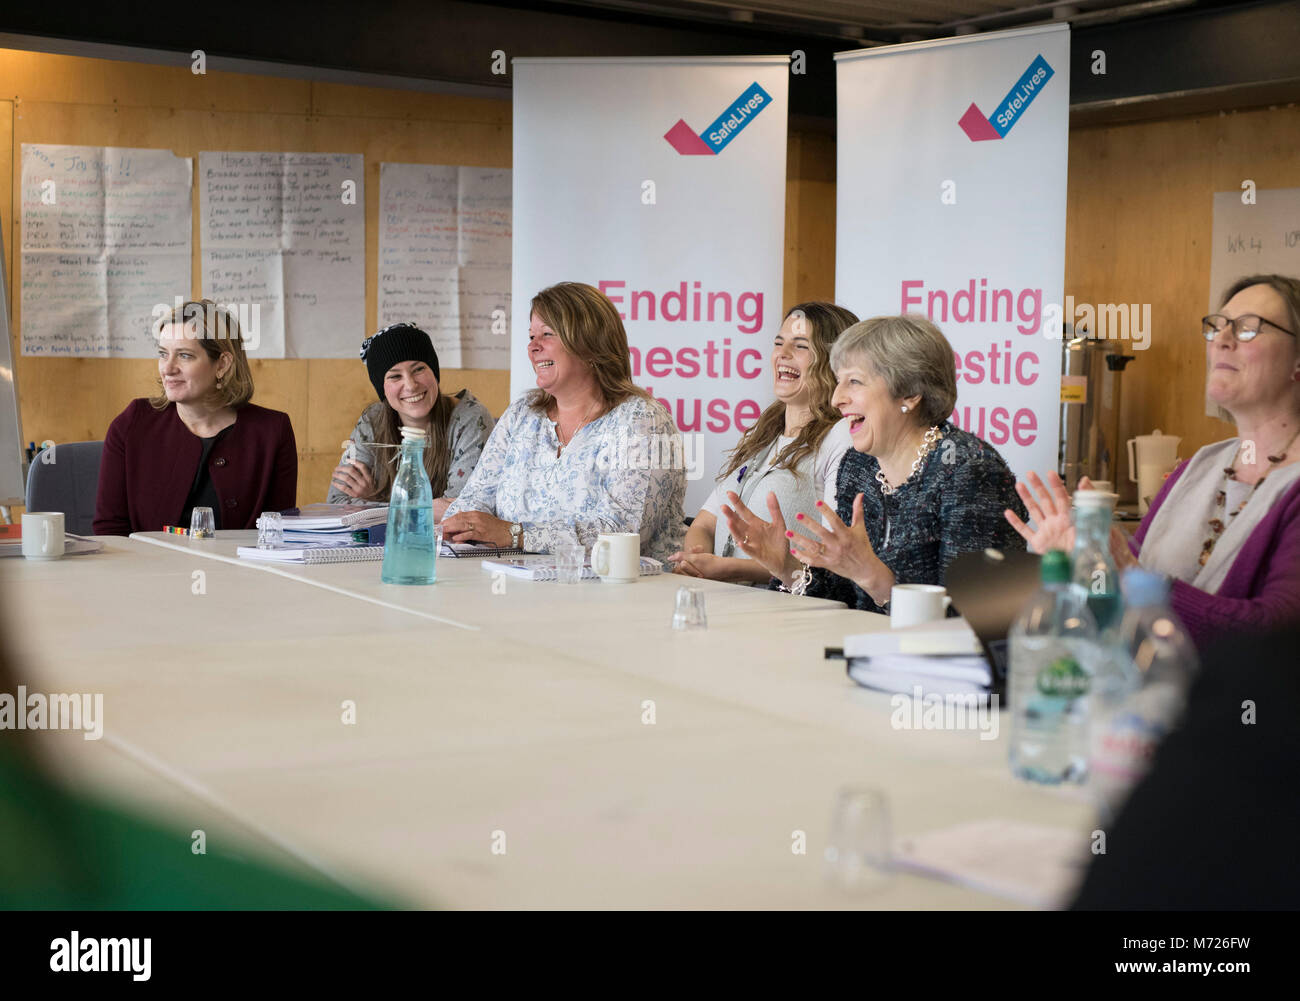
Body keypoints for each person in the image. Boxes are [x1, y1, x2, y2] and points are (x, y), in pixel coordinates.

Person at [1007, 274, 1300, 648]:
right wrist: (1080, 562)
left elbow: (1275, 639)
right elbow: (1127, 602)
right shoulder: (1196, 468)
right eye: (1218, 326)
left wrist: (1128, 573)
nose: (1222, 340)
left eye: (1248, 329)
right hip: (1150, 690)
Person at [721, 314, 1027, 612]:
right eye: (839, 382)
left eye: (854, 382)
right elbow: (840, 595)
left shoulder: (970, 472)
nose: (836, 399)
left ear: (910, 392)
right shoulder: (859, 465)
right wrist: (786, 566)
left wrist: (875, 578)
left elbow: (978, 616)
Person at [442, 282, 685, 561]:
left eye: (547, 334)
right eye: (531, 336)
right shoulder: (522, 413)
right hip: (523, 588)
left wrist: (516, 534)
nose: (533, 347)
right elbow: (474, 498)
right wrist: (462, 527)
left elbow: (623, 533)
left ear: (591, 345)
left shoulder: (643, 421)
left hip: (624, 596)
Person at [670, 301, 859, 584]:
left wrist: (729, 568)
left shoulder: (842, 437)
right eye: (779, 343)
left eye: (800, 346)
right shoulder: (764, 431)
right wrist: (696, 560)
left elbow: (839, 564)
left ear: (835, 362)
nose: (781, 354)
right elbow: (706, 523)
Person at [94, 300, 297, 535]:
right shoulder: (132, 423)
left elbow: (278, 533)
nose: (167, 368)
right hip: (147, 569)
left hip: (238, 571)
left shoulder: (272, 431)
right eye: (163, 354)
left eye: (184, 355)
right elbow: (110, 530)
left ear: (222, 364)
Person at [328, 323, 494, 519]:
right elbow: (337, 503)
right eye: (395, 376)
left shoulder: (470, 418)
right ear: (382, 388)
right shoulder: (372, 419)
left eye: (418, 369)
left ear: (434, 371)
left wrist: (376, 500)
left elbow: (460, 512)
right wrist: (422, 509)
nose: (411, 385)